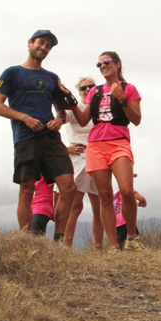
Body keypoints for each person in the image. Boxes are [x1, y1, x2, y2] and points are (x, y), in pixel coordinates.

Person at [0, 29, 77, 236]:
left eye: (48, 46)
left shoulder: (51, 77)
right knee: (27, 190)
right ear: (30, 43)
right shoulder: (11, 73)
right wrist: (25, 118)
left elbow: (61, 108)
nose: (44, 48)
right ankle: (27, 241)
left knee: (68, 187)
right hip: (26, 138)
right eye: (41, 43)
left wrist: (60, 120)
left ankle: (58, 240)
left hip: (51, 138)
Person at [72, 51, 143, 252]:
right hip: (96, 144)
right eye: (99, 64)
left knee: (127, 191)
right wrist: (69, 101)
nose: (102, 66)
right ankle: (113, 245)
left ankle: (131, 237)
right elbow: (84, 119)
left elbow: (136, 119)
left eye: (106, 62)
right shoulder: (94, 92)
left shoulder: (129, 89)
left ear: (118, 64)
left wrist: (122, 99)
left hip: (119, 142)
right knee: (104, 196)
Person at [62, 77, 103, 250]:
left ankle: (98, 248)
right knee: (75, 205)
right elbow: (54, 124)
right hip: (78, 157)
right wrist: (65, 149)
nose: (87, 90)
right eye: (83, 88)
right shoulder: (74, 109)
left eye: (91, 86)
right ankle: (67, 246)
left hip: (98, 156)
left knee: (99, 205)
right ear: (78, 92)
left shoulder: (101, 110)